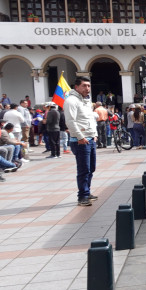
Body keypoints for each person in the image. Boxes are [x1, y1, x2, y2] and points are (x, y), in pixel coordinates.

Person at [65, 76, 98, 206]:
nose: (87, 88)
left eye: (89, 86)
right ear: (76, 87)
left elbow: (90, 119)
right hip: (80, 141)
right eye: (84, 85)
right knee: (84, 169)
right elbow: (70, 121)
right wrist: (80, 137)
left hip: (90, 139)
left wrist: (94, 135)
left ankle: (87, 191)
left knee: (91, 168)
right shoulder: (71, 101)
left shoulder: (85, 101)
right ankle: (82, 196)